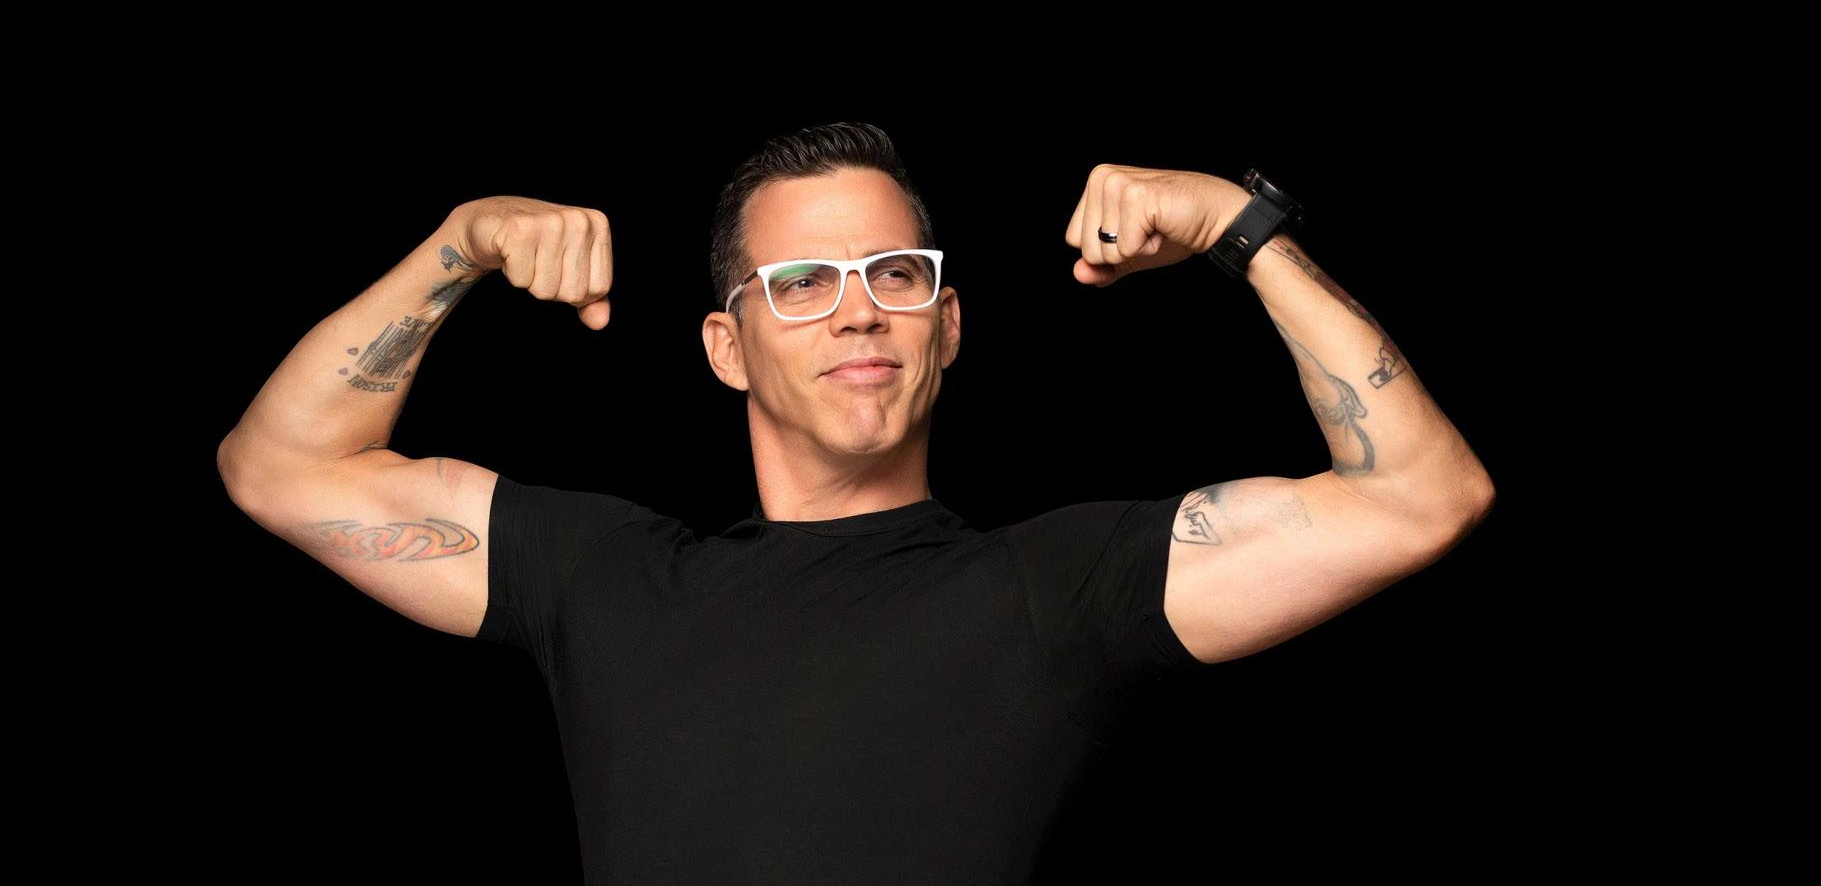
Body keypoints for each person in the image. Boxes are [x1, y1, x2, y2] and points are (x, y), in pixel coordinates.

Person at [216, 122, 1495, 883]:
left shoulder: (1062, 583)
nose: (858, 310)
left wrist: (1238, 225)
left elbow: (1422, 498)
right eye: (803, 283)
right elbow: (278, 468)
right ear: (727, 346)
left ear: (947, 325)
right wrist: (461, 241)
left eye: (894, 272)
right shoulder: (598, 574)